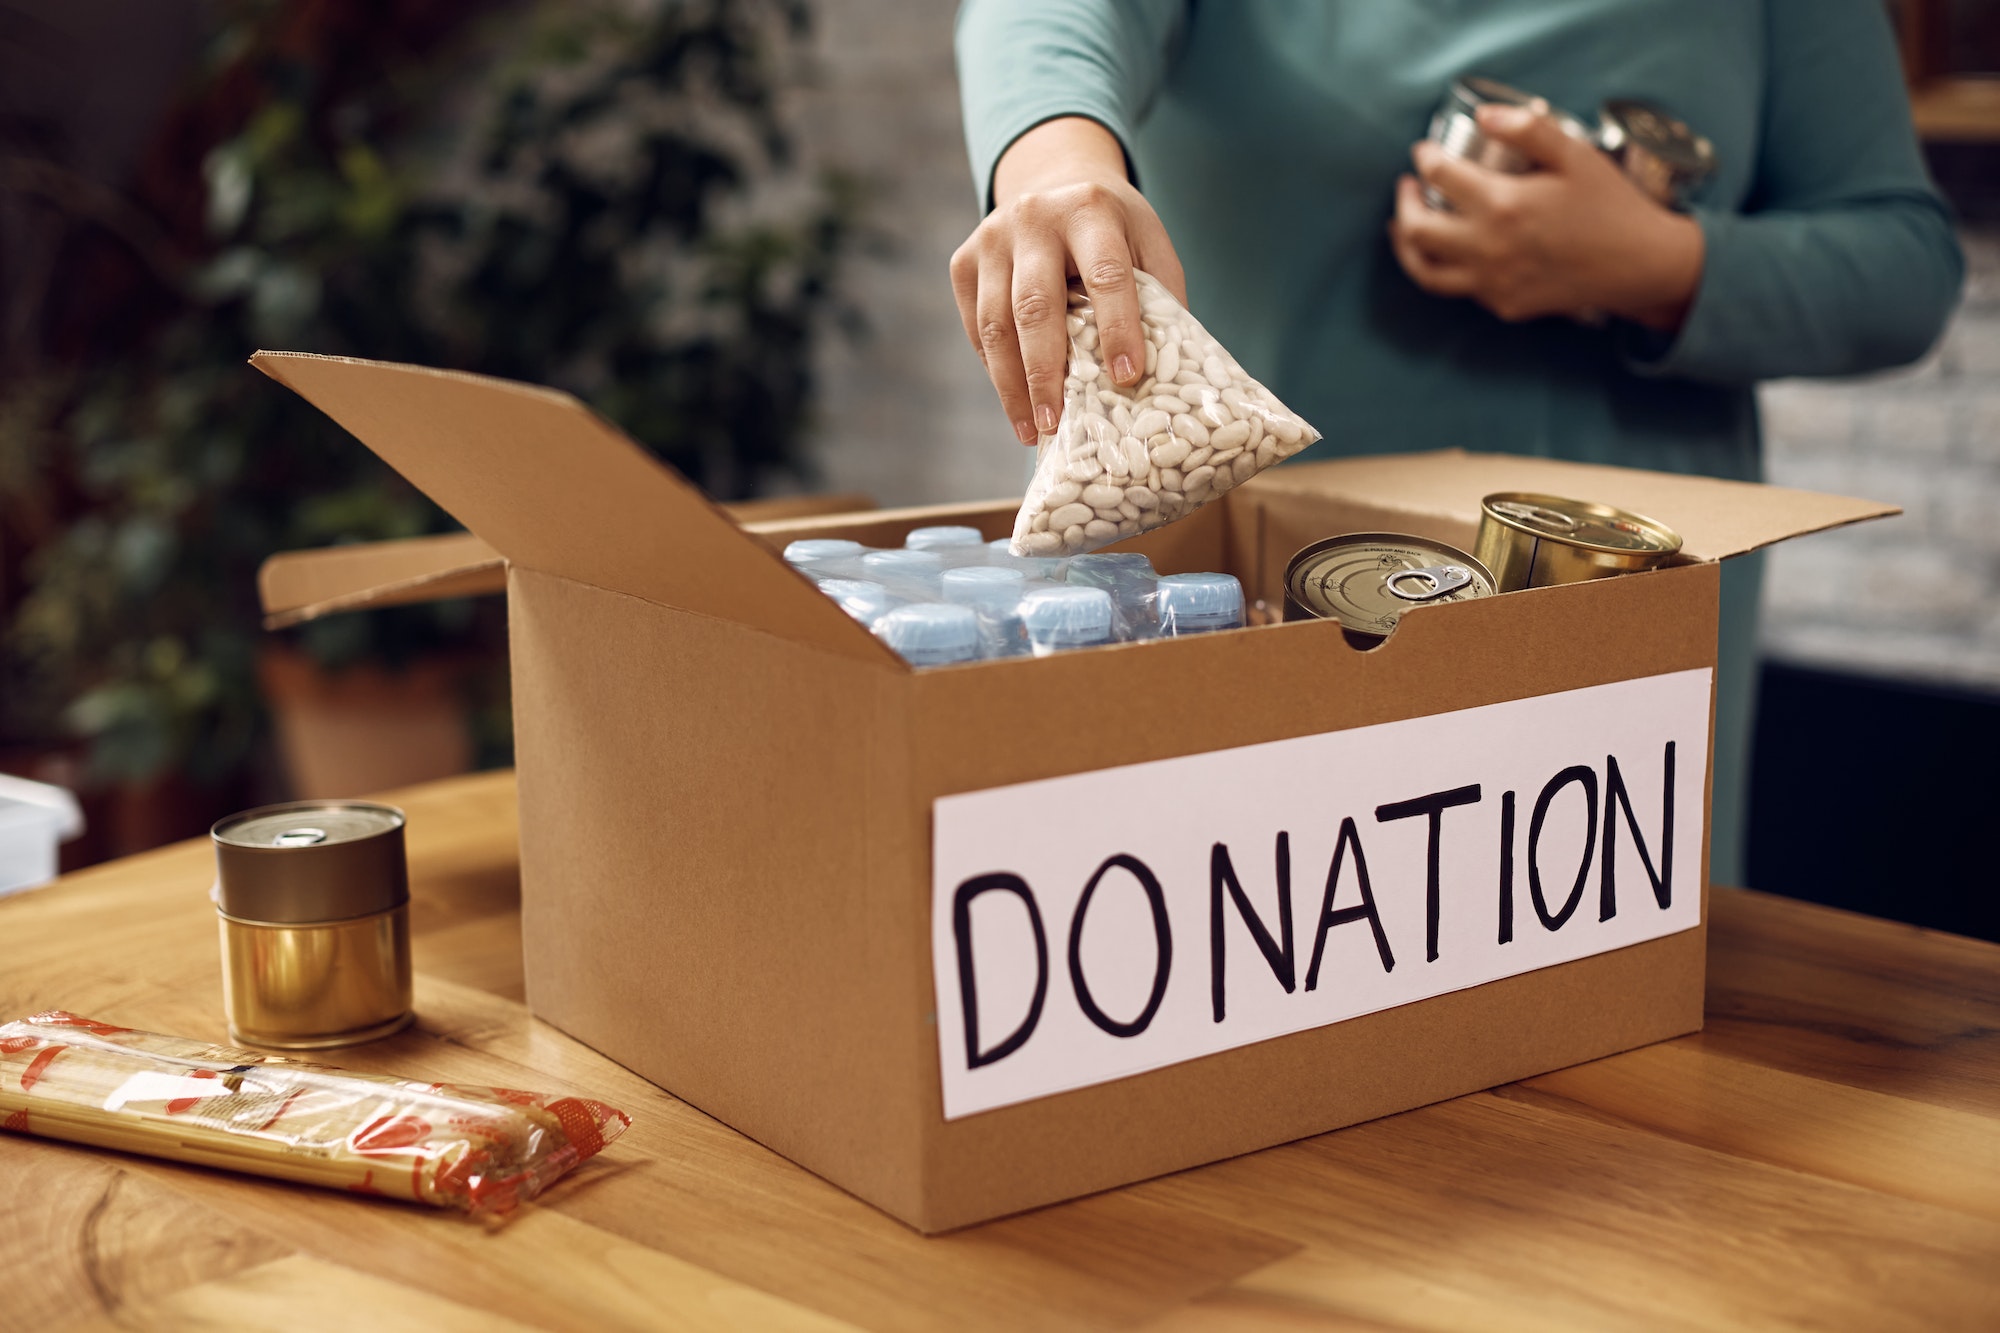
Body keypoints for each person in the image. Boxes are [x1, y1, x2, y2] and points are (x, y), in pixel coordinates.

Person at [951, 0, 1963, 888]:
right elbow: (1043, 17)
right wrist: (1056, 170)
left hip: (1619, 640)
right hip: (1250, 609)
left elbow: (1903, 264)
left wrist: (1654, 265)